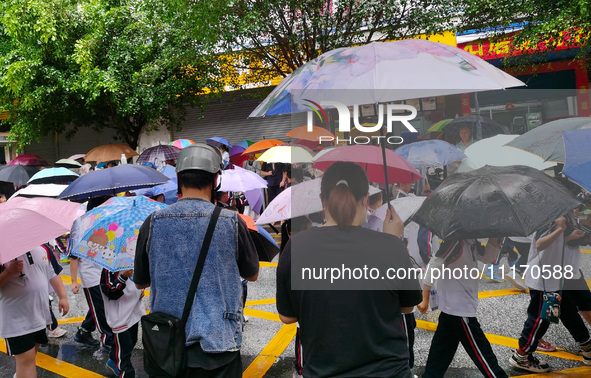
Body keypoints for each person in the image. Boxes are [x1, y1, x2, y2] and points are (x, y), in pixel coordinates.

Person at [276, 161, 422, 377]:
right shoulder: (390, 246)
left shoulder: (296, 247)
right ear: (365, 198)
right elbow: (407, 307)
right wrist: (394, 241)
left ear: (322, 201)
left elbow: (287, 317)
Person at [134, 143, 259, 377]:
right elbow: (252, 274)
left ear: (179, 179)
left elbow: (140, 282)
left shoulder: (152, 222)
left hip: (168, 346)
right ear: (216, 181)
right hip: (219, 342)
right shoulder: (231, 222)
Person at [511, 212, 591, 372]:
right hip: (543, 279)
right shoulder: (551, 216)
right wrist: (560, 229)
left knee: (547, 317)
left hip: (554, 278)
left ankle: (525, 354)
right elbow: (540, 244)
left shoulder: (565, 214)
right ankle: (521, 356)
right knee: (539, 320)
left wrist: (572, 235)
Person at [419, 238, 509, 378]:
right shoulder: (455, 241)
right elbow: (433, 265)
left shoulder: (470, 241)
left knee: (441, 351)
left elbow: (486, 258)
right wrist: (425, 298)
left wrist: (493, 239)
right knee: (482, 352)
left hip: (454, 308)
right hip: (459, 308)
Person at [0, 247, 70, 378]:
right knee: (26, 360)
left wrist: (63, 296)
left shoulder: (43, 248)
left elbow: (52, 273)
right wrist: (9, 272)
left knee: (31, 356)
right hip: (16, 319)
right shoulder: (3, 252)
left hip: (40, 316)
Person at [69, 196, 115, 349]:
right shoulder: (81, 227)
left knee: (98, 305)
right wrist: (74, 281)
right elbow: (73, 256)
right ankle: (108, 339)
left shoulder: (106, 225)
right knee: (100, 308)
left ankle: (84, 331)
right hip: (91, 276)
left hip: (104, 274)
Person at [100, 268, 145, 377]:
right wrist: (122, 277)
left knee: (131, 342)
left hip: (133, 310)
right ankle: (125, 372)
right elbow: (110, 292)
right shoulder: (109, 269)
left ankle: (113, 360)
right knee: (123, 350)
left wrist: (141, 287)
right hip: (120, 315)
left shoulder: (130, 259)